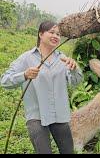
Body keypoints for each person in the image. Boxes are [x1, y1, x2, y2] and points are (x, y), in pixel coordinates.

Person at [1, 21, 83, 154]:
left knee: (68, 151)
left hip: (60, 115)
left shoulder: (62, 59)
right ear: (40, 34)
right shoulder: (26, 58)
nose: (56, 36)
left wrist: (74, 69)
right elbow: (4, 80)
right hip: (36, 116)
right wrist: (24, 75)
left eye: (58, 34)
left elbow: (75, 82)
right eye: (51, 32)